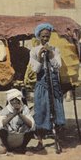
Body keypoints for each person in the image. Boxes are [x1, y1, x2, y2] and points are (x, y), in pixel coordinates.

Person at [29, 23, 65, 151]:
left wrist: (51, 56)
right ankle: (40, 140)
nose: (45, 39)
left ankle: (58, 138)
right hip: (42, 84)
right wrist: (39, 57)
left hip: (54, 84)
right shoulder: (33, 51)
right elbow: (35, 69)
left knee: (56, 110)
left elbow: (58, 66)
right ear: (38, 36)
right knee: (41, 111)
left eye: (47, 36)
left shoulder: (55, 50)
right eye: (43, 36)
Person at [0, 88, 35, 154]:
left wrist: (19, 114)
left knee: (32, 127)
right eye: (12, 100)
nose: (15, 102)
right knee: (1, 128)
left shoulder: (25, 109)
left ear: (20, 100)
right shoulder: (5, 110)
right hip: (8, 139)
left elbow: (32, 125)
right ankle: (6, 147)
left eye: (17, 99)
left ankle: (22, 148)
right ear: (9, 101)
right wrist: (13, 114)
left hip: (20, 139)